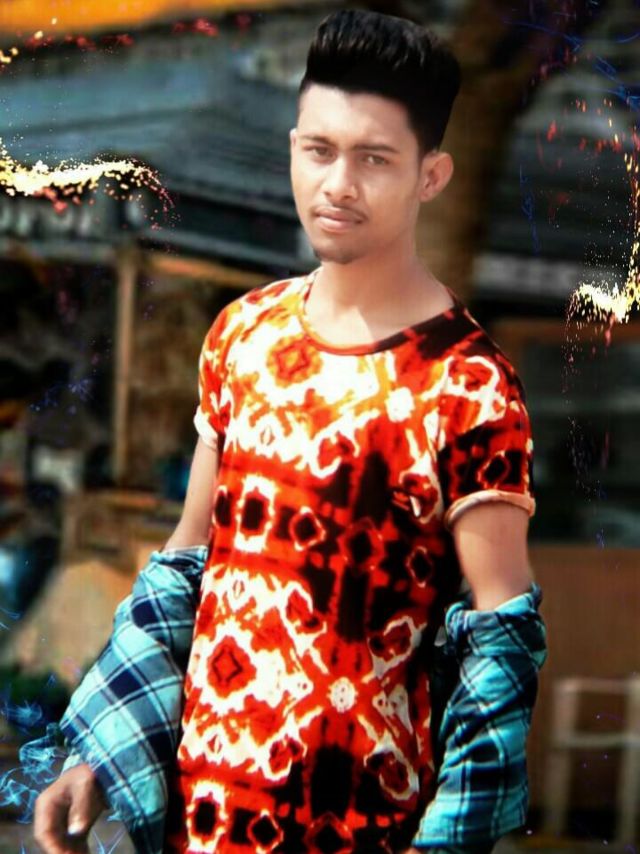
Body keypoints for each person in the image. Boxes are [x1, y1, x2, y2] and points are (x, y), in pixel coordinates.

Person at [33, 8, 547, 854]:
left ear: (431, 175)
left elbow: (501, 640)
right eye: (319, 150)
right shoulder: (244, 334)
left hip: (365, 829)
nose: (338, 184)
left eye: (374, 159)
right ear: (292, 149)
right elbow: (186, 565)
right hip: (199, 824)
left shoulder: (469, 384)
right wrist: (100, 750)